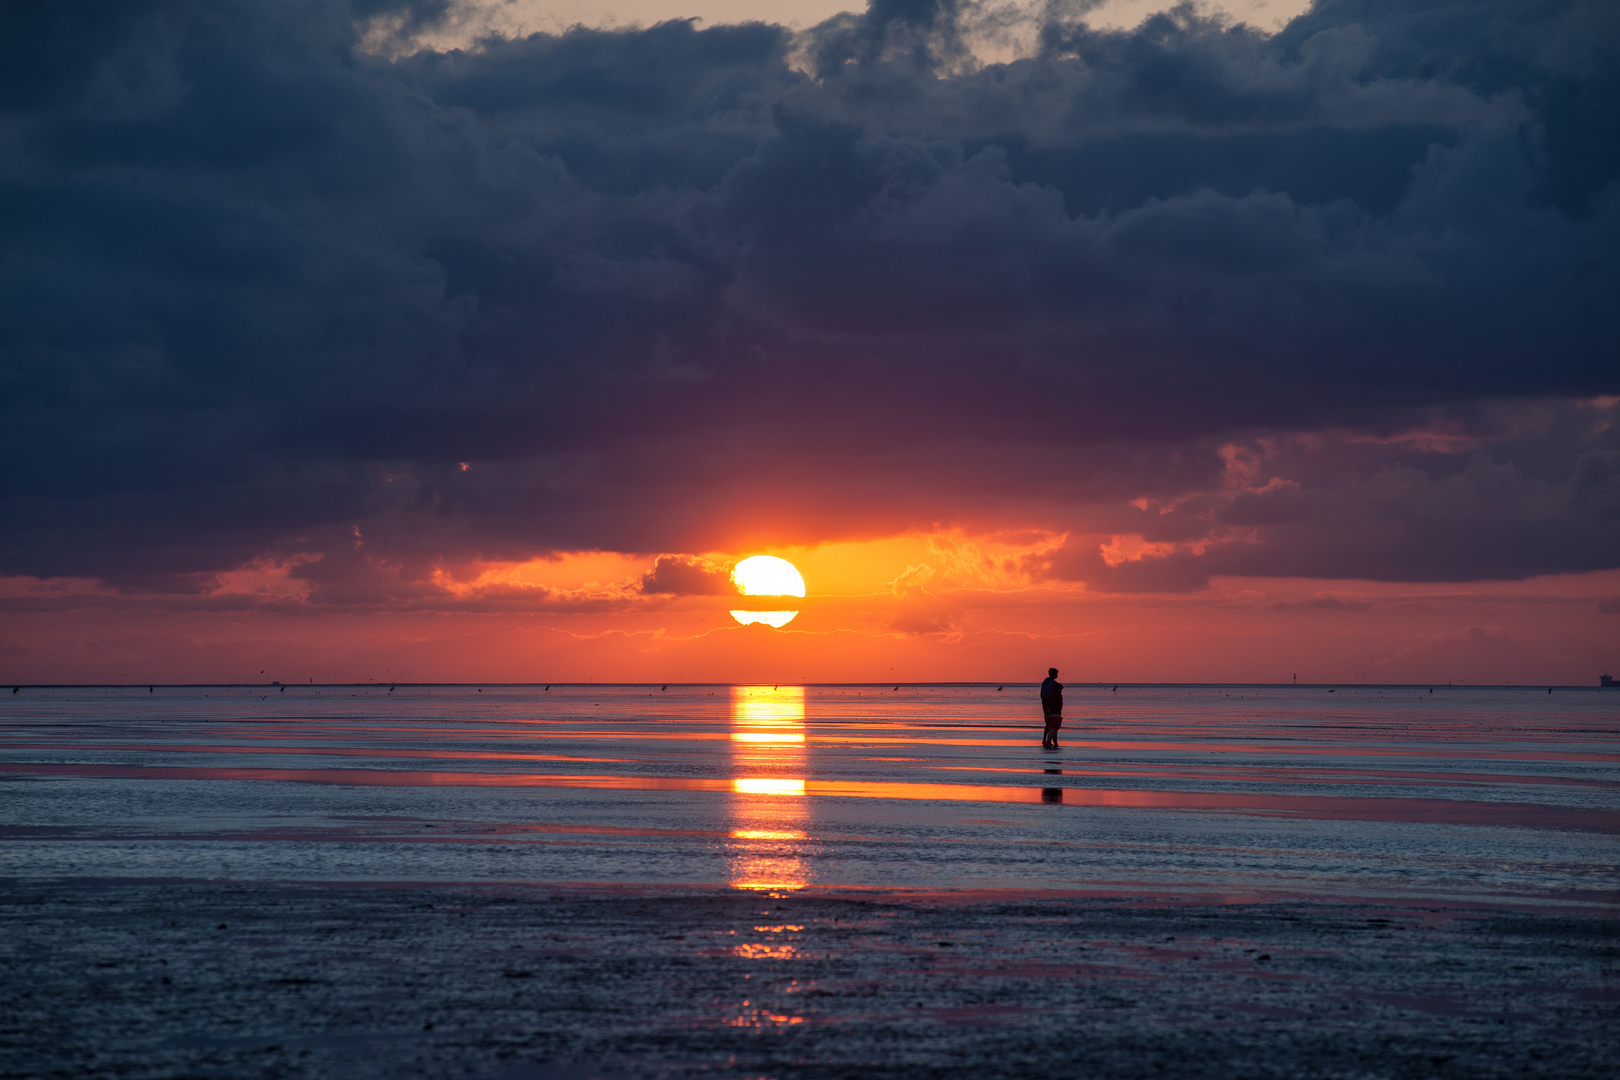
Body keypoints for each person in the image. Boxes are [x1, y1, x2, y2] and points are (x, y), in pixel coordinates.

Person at [1040, 667, 1063, 749]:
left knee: (1048, 722)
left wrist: (1044, 702)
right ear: (1054, 674)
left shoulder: (1044, 683)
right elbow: (1055, 695)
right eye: (1057, 674)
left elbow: (1041, 694)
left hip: (1045, 704)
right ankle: (1050, 741)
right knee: (1053, 724)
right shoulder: (1054, 684)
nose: (1057, 675)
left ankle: (1045, 740)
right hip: (1052, 705)